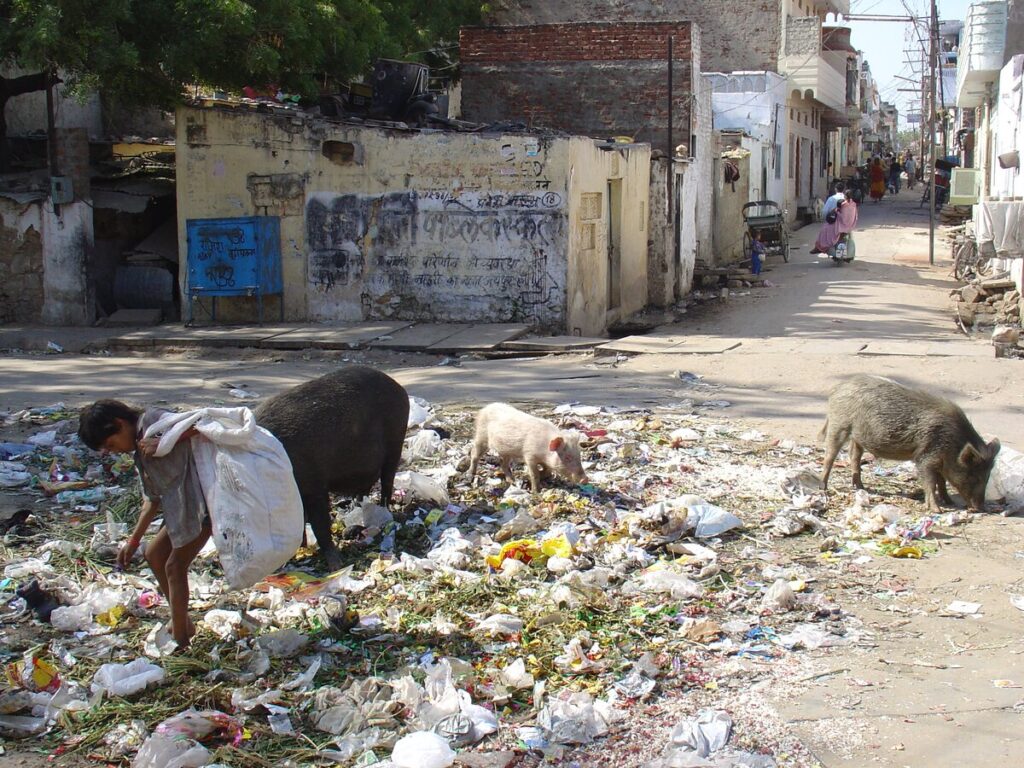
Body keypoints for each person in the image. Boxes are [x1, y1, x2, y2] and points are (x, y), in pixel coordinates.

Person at [78, 400, 210, 649]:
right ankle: (182, 621)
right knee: (153, 554)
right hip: (183, 508)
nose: (113, 450)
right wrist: (133, 542)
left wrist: (167, 440)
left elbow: (205, 424)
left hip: (206, 503)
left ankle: (181, 640)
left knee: (174, 566)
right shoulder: (138, 448)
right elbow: (151, 500)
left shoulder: (153, 421)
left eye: (111, 443)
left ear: (119, 424)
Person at [811, 188, 859, 255]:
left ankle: (820, 247)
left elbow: (839, 214)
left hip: (841, 225)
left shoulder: (842, 204)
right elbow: (855, 215)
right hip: (850, 225)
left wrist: (835, 211)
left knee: (825, 228)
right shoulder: (854, 204)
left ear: (845, 196)